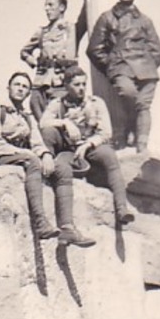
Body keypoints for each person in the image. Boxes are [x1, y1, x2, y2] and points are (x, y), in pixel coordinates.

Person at [0, 71, 95, 246]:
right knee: (33, 162)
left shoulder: (27, 116)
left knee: (61, 168)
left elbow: (36, 141)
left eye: (25, 87)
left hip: (21, 156)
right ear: (8, 87)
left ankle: (67, 227)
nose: (20, 89)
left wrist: (45, 154)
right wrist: (27, 154)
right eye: (17, 85)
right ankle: (40, 222)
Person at [40, 66, 134, 229]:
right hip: (68, 149)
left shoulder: (96, 103)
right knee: (49, 132)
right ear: (67, 85)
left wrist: (87, 144)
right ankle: (48, 174)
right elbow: (43, 123)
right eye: (77, 85)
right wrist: (65, 122)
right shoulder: (57, 104)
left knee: (109, 155)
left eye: (84, 84)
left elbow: (106, 132)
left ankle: (122, 208)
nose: (82, 88)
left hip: (90, 147)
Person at [86, 0, 160, 152]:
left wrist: (148, 65)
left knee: (144, 106)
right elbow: (93, 49)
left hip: (146, 70)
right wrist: (111, 66)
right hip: (120, 66)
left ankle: (141, 147)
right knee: (128, 94)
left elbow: (158, 51)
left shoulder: (145, 20)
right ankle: (129, 128)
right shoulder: (107, 17)